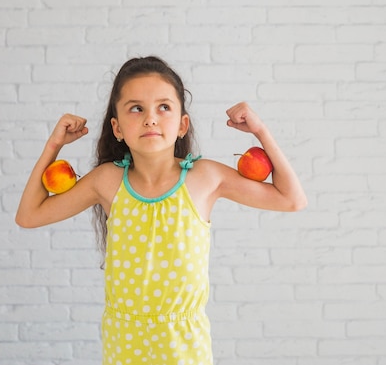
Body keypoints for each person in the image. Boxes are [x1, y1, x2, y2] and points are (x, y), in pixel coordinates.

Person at [16, 56, 307, 365]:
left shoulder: (205, 178)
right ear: (117, 127)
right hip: (124, 344)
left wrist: (260, 132)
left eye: (164, 107)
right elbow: (29, 215)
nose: (150, 119)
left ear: (183, 124)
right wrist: (54, 146)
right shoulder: (107, 181)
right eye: (136, 108)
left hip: (185, 346)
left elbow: (291, 199)